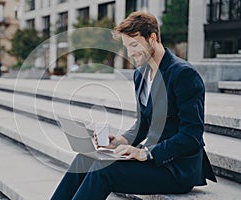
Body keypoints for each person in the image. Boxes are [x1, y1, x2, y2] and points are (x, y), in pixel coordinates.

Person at [51, 12, 216, 200]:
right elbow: (143, 124)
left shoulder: (183, 75)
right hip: (152, 162)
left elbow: (192, 135)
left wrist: (146, 153)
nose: (130, 53)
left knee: (102, 171)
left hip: (175, 169)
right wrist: (119, 141)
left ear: (152, 38)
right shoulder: (140, 74)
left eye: (134, 45)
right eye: (126, 47)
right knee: (84, 159)